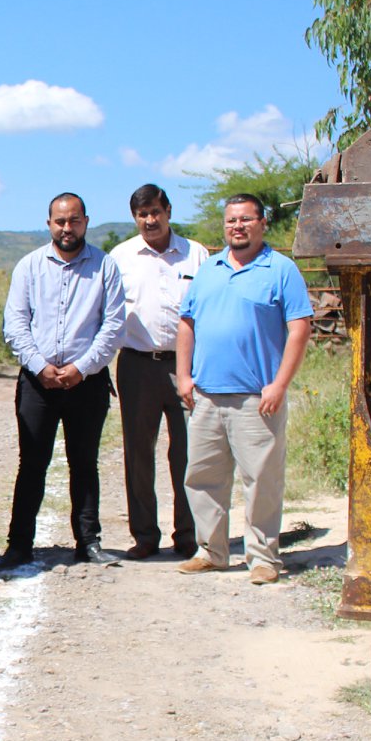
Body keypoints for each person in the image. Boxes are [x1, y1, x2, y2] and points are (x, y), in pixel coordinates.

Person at [176, 193, 314, 584]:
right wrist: (184, 376)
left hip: (258, 398)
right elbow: (187, 323)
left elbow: (299, 329)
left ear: (262, 224)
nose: (237, 226)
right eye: (231, 220)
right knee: (202, 478)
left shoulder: (281, 269)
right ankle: (212, 551)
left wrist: (280, 385)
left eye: (246, 220)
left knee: (261, 480)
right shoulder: (209, 269)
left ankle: (263, 558)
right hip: (206, 395)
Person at [0, 192, 126, 567]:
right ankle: (19, 544)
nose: (67, 228)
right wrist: (39, 366)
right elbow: (16, 323)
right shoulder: (29, 266)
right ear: (49, 223)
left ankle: (88, 542)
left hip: (86, 383)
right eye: (60, 221)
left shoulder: (106, 267)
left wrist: (81, 368)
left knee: (84, 463)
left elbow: (113, 325)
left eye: (74, 221)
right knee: (32, 463)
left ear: (86, 221)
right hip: (38, 383)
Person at [111, 184, 209, 559]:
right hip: (136, 365)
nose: (150, 220)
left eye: (155, 211)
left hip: (186, 366)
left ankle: (188, 535)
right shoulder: (120, 257)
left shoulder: (195, 254)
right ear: (134, 218)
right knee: (138, 452)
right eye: (142, 214)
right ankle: (145, 536)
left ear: (168, 211)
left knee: (188, 451)